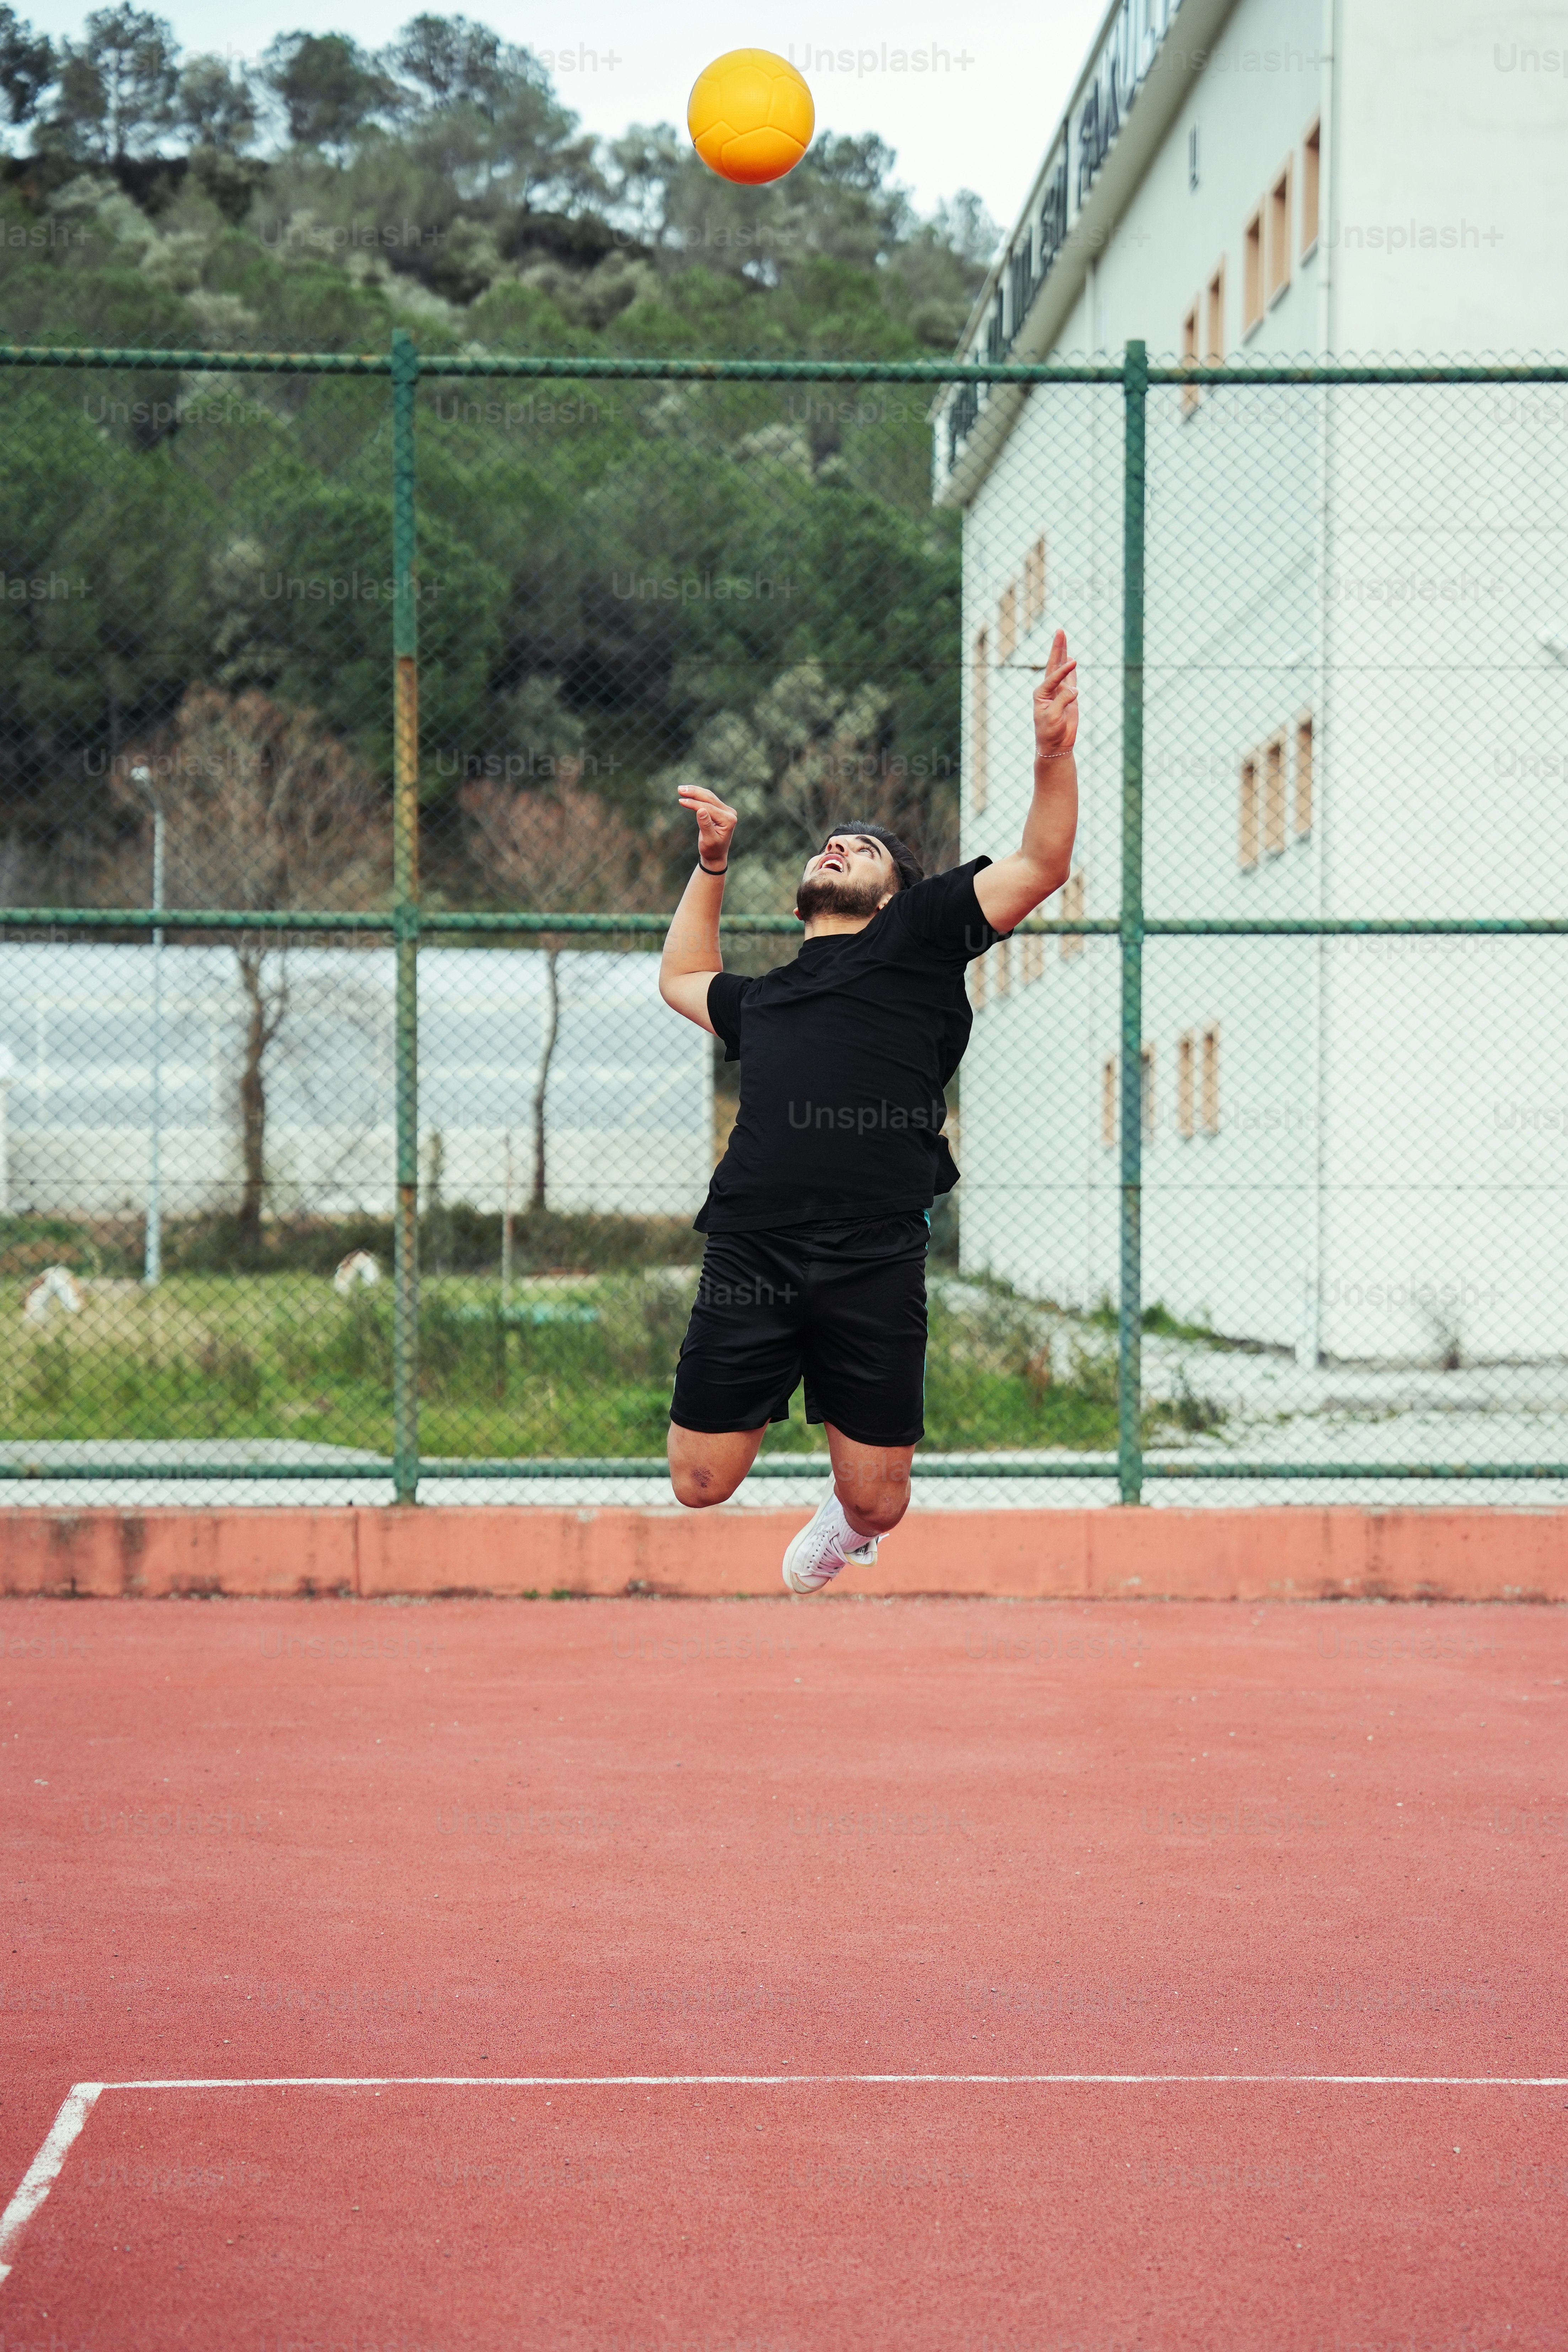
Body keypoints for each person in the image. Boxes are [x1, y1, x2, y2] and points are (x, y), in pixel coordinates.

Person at [657, 629, 1080, 1593]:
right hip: (752, 1249)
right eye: (828, 842)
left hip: (873, 1255)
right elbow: (683, 974)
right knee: (697, 1482)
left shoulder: (921, 938)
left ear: (895, 896)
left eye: (865, 848)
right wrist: (712, 864)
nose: (838, 843)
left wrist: (1050, 756)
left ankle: (847, 1528)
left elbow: (1040, 864)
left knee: (879, 1503)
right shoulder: (764, 1000)